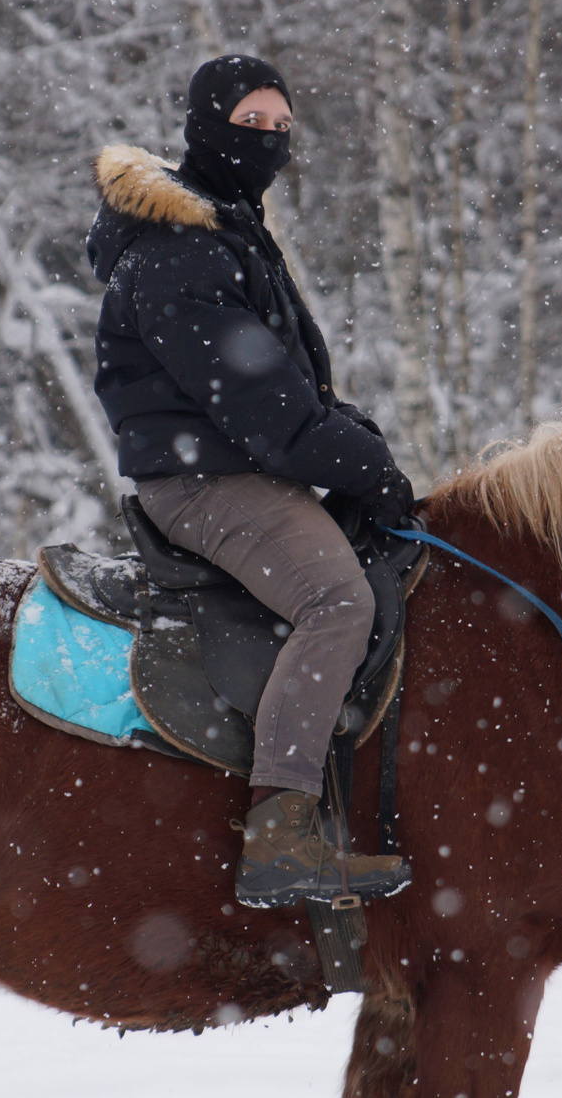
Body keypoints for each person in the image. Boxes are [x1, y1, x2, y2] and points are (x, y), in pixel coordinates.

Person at [85, 54, 414, 908]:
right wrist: (365, 467)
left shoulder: (228, 233)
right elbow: (266, 411)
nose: (268, 141)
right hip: (203, 483)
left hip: (239, 467)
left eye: (281, 127)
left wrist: (354, 443)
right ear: (204, 128)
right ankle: (281, 835)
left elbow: (291, 394)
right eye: (250, 124)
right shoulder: (180, 253)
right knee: (338, 601)